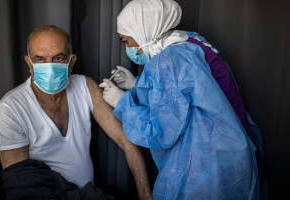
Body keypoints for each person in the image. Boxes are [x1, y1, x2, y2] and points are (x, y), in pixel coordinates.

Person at [101, 0, 266, 199]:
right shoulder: (190, 43)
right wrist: (136, 85)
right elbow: (188, 96)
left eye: (126, 40)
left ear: (144, 31)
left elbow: (161, 132)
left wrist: (123, 103)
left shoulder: (169, 61)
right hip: (233, 151)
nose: (127, 47)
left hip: (209, 168)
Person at [0, 25, 152, 200]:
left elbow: (126, 140)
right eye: (40, 59)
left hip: (89, 194)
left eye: (58, 58)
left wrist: (145, 195)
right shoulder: (10, 109)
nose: (50, 67)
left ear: (71, 62)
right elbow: (22, 188)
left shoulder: (86, 87)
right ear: (29, 63)